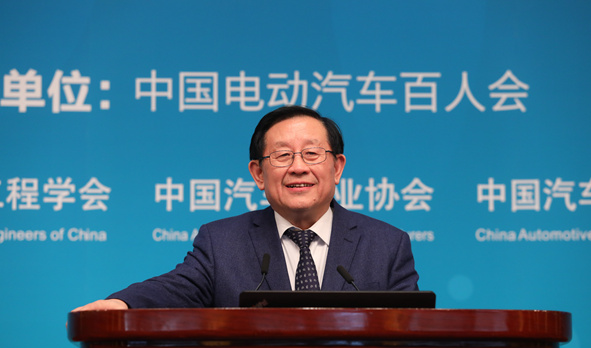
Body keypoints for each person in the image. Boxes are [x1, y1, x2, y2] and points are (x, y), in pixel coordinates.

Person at [71, 106, 419, 311]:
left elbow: (415, 333)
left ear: (337, 167)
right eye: (282, 155)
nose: (298, 167)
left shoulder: (387, 244)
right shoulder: (222, 242)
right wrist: (123, 304)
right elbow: (177, 288)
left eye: (312, 154)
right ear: (258, 173)